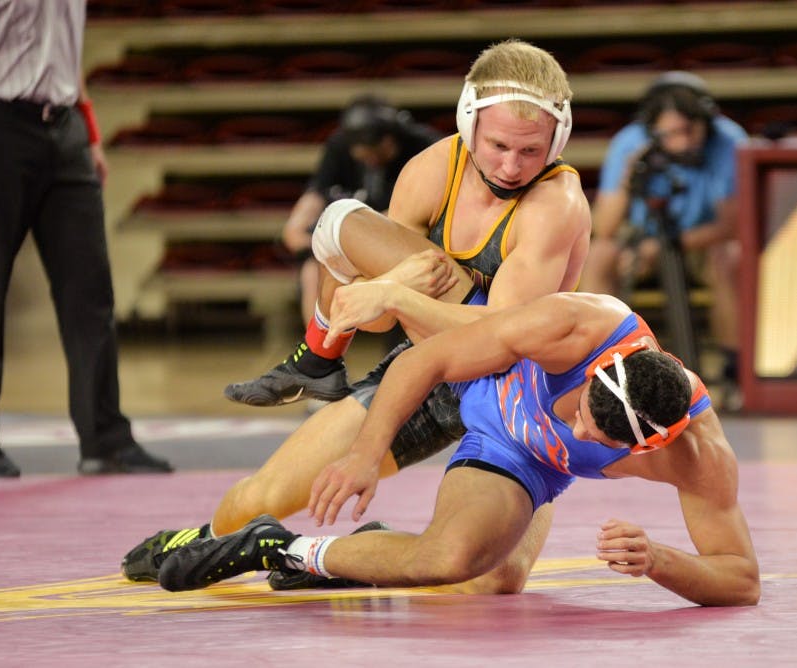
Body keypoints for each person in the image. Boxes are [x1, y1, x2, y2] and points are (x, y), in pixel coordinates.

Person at [120, 39, 591, 590]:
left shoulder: (554, 205)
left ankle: (346, 552)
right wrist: (386, 290)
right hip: (426, 369)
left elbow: (497, 341)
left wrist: (395, 293)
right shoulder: (434, 169)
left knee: (491, 581)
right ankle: (203, 534)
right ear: (468, 121)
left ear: (557, 141)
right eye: (498, 146)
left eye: (530, 152)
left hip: (518, 395)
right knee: (258, 499)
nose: (511, 166)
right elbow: (371, 320)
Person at [157, 290, 761, 607]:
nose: (580, 434)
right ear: (600, 367)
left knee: (470, 572)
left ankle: (282, 548)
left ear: (655, 442)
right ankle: (340, 327)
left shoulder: (698, 455)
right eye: (580, 412)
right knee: (379, 255)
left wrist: (658, 559)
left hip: (523, 459)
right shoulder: (576, 326)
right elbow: (430, 358)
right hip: (476, 380)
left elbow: (740, 579)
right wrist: (367, 454)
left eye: (600, 443)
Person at [0, 0, 172, 477]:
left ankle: (105, 440)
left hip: (64, 124)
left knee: (90, 292)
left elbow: (63, 52)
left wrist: (89, 132)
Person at [577, 71, 747, 394]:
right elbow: (605, 227)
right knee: (600, 255)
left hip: (705, 242)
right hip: (643, 240)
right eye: (672, 133)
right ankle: (600, 369)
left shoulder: (728, 141)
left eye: (690, 130)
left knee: (731, 255)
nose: (682, 142)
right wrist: (630, 175)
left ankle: (733, 368)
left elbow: (733, 225)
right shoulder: (631, 142)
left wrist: (669, 244)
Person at [281, 95, 440, 327]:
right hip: (352, 239)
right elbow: (316, 192)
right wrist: (297, 226)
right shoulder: (339, 145)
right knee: (311, 270)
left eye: (377, 151)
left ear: (391, 138)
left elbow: (419, 215)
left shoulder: (424, 146)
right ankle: (317, 354)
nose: (370, 158)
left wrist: (362, 232)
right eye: (363, 153)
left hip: (406, 239)